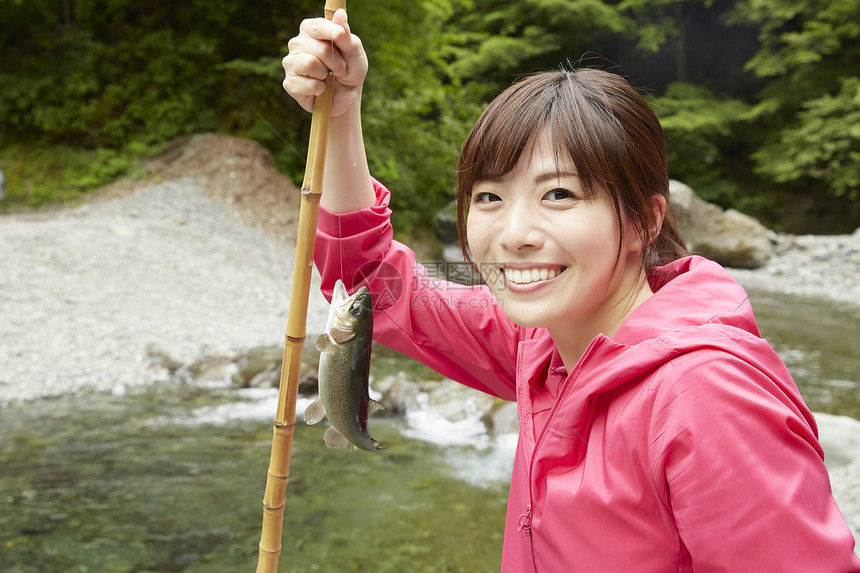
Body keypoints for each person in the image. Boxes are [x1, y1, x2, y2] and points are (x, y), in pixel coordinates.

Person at [283, 10, 860, 572]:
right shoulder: (540, 344)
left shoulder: (705, 397)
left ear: (643, 220)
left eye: (559, 194)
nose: (514, 234)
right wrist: (339, 115)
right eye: (489, 197)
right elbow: (367, 284)